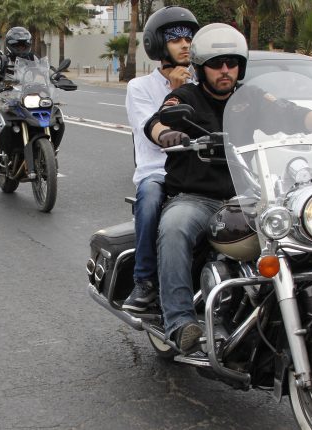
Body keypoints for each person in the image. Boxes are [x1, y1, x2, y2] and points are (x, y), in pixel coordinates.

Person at [143, 24, 312, 353]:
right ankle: (179, 321)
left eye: (231, 63)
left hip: (245, 198)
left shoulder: (251, 98)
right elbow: (156, 121)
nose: (225, 70)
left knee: (300, 229)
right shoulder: (186, 97)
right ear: (201, 67)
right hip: (196, 197)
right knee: (174, 228)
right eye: (216, 64)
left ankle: (280, 309)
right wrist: (167, 134)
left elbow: (292, 113)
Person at [121, 6, 199, 313]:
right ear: (157, 45)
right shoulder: (139, 87)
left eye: (189, 38)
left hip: (200, 168)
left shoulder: (203, 82)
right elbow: (150, 129)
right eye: (176, 39)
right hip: (159, 170)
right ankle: (144, 280)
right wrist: (178, 95)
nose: (185, 45)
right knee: (151, 195)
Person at [0, 26, 37, 175]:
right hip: (6, 98)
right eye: (18, 45)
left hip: (28, 96)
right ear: (10, 45)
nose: (21, 48)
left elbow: (46, 70)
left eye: (24, 45)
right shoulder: (2, 60)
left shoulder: (32, 59)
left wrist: (57, 76)